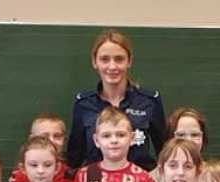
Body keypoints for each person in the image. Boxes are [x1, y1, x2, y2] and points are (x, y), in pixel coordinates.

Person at [67, 29, 166, 171]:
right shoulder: (83, 104)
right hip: (96, 181)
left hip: (139, 181)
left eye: (119, 59)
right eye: (104, 59)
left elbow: (165, 154)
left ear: (129, 61)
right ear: (94, 62)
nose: (112, 66)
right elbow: (74, 159)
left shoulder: (149, 101)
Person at [8, 113, 74, 182]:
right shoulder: (21, 177)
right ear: (32, 139)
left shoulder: (70, 176)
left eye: (57, 136)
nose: (51, 141)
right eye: (44, 137)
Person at [151, 107, 208, 182]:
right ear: (170, 138)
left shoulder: (214, 174)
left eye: (195, 135)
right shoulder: (153, 180)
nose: (188, 140)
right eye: (181, 135)